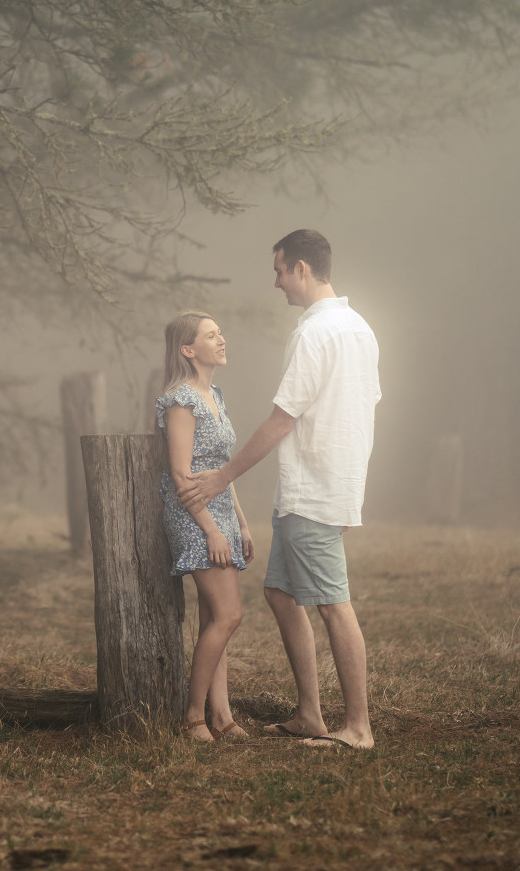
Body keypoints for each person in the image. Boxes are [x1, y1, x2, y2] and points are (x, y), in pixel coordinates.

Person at [178, 229, 381, 750]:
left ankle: (358, 727)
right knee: (280, 593)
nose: (276, 283)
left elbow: (282, 419)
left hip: (314, 487)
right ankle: (310, 714)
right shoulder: (359, 328)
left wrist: (223, 476)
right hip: (329, 483)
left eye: (279, 271)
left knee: (333, 603)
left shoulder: (313, 332)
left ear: (301, 270)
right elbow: (363, 409)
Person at [155, 311, 254, 743]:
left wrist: (241, 525)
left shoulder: (213, 394)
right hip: (194, 516)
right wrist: (211, 530)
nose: (221, 339)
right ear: (188, 349)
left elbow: (221, 469)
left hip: (223, 513)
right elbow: (182, 475)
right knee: (229, 615)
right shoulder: (181, 400)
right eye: (211, 335)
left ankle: (222, 715)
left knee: (216, 616)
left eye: (220, 333)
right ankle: (193, 716)